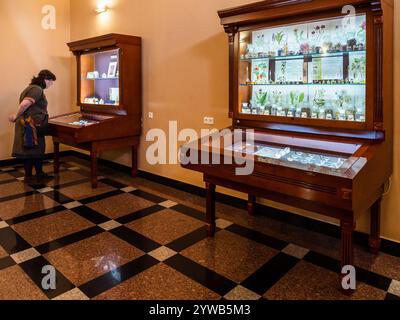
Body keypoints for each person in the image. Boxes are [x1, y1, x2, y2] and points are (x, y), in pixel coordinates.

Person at [9, 70, 56, 183]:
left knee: (31, 150)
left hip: (29, 124)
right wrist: (16, 115)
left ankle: (33, 175)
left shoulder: (30, 88)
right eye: (51, 81)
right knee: (34, 149)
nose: (51, 84)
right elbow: (25, 104)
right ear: (46, 80)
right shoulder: (37, 89)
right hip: (32, 126)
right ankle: (35, 175)